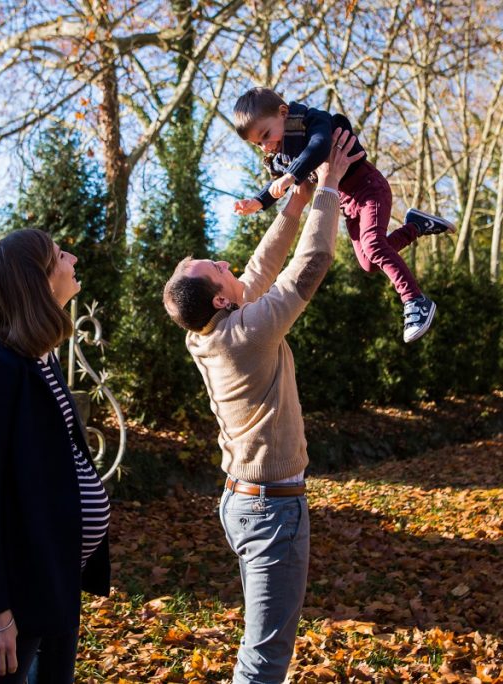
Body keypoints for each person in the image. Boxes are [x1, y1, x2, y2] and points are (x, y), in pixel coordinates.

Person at [163, 130, 362, 684]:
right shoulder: (246, 333)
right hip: (271, 510)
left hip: (246, 502)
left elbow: (259, 270)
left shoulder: (210, 328)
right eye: (217, 268)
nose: (228, 262)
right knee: (265, 657)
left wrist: (293, 204)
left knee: (262, 645)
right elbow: (311, 264)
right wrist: (327, 188)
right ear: (222, 300)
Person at [0, 228, 111, 683]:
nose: (74, 258)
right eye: (62, 255)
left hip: (56, 579)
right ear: (39, 281)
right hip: (17, 595)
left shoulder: (41, 359)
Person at [232, 86, 455, 343]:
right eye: (258, 143)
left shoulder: (310, 120)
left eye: (265, 135)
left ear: (283, 113)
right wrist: (259, 202)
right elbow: (278, 186)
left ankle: (415, 300)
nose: (265, 145)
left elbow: (319, 146)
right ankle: (415, 226)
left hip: (369, 188)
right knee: (369, 262)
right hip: (348, 205)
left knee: (373, 245)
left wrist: (292, 175)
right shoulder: (282, 154)